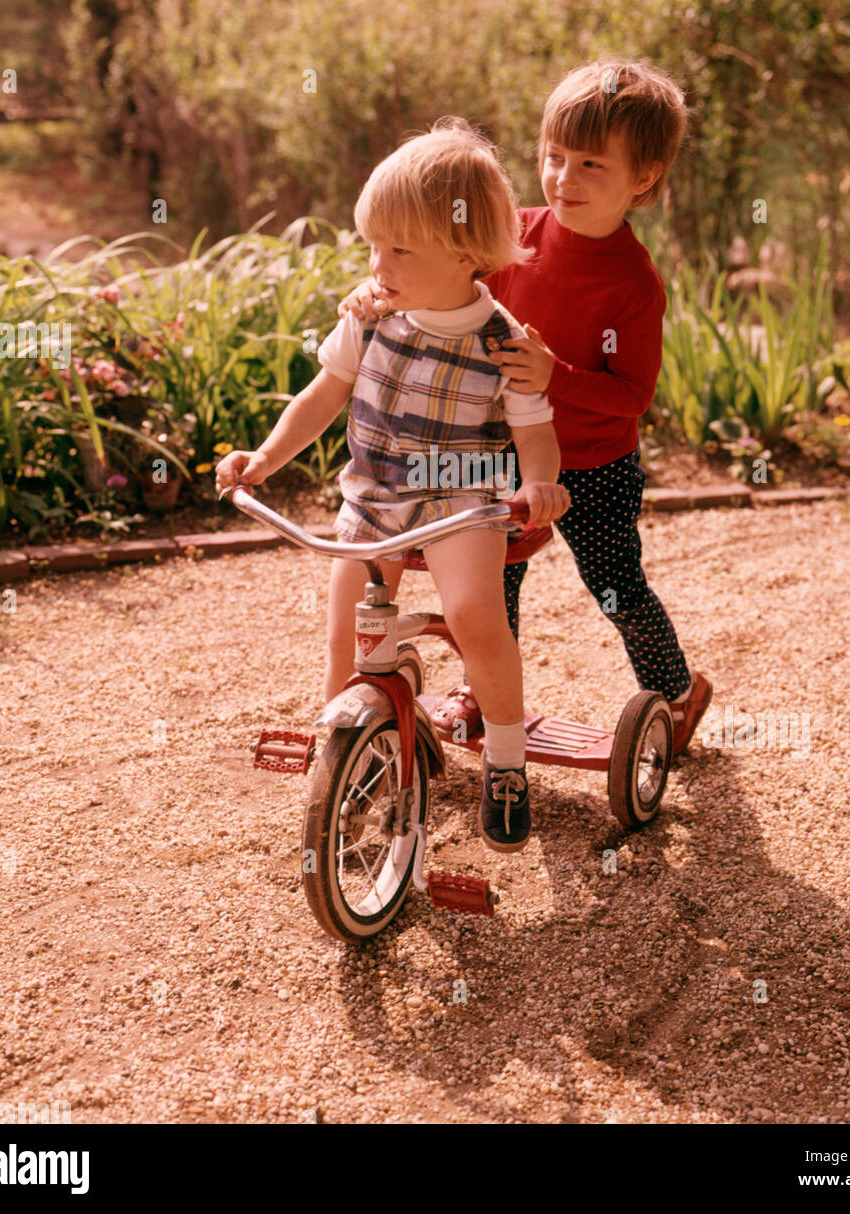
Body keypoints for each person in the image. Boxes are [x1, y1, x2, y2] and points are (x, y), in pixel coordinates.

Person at [215, 118, 570, 852]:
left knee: (474, 614)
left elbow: (535, 431)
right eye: (373, 243)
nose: (379, 262)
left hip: (458, 500)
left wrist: (538, 483)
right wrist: (264, 458)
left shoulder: (503, 342)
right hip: (374, 494)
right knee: (345, 615)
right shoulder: (371, 314)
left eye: (399, 248)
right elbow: (321, 396)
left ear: (466, 251)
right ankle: (340, 739)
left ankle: (505, 758)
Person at [340, 60, 712, 755]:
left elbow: (632, 394)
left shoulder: (633, 282)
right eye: (553, 157)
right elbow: (443, 284)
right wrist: (375, 295)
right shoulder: (513, 235)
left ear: (643, 178)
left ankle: (676, 690)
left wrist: (554, 373)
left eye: (590, 165)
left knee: (613, 583)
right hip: (503, 453)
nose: (563, 178)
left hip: (594, 464)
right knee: (490, 583)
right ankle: (482, 697)